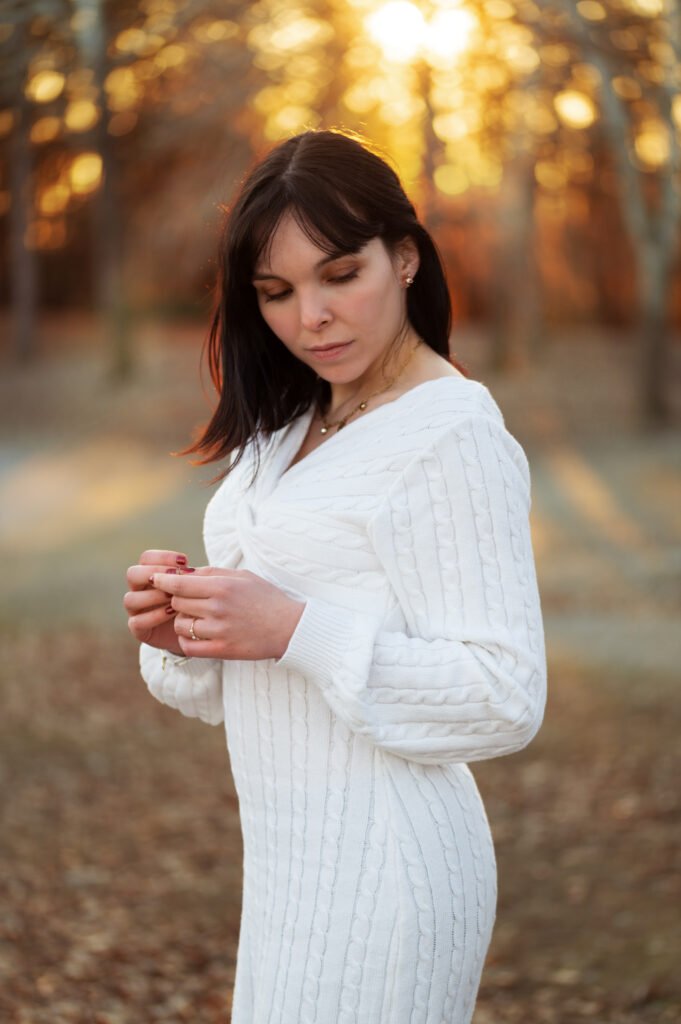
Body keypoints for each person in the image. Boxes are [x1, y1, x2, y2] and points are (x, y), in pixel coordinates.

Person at [124, 128, 547, 1024]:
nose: (308, 317)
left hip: (389, 874)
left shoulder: (451, 434)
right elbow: (254, 680)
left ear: (403, 259)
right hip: (287, 865)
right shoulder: (290, 425)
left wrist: (292, 629)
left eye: (338, 275)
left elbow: (504, 696)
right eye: (275, 292)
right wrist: (187, 636)